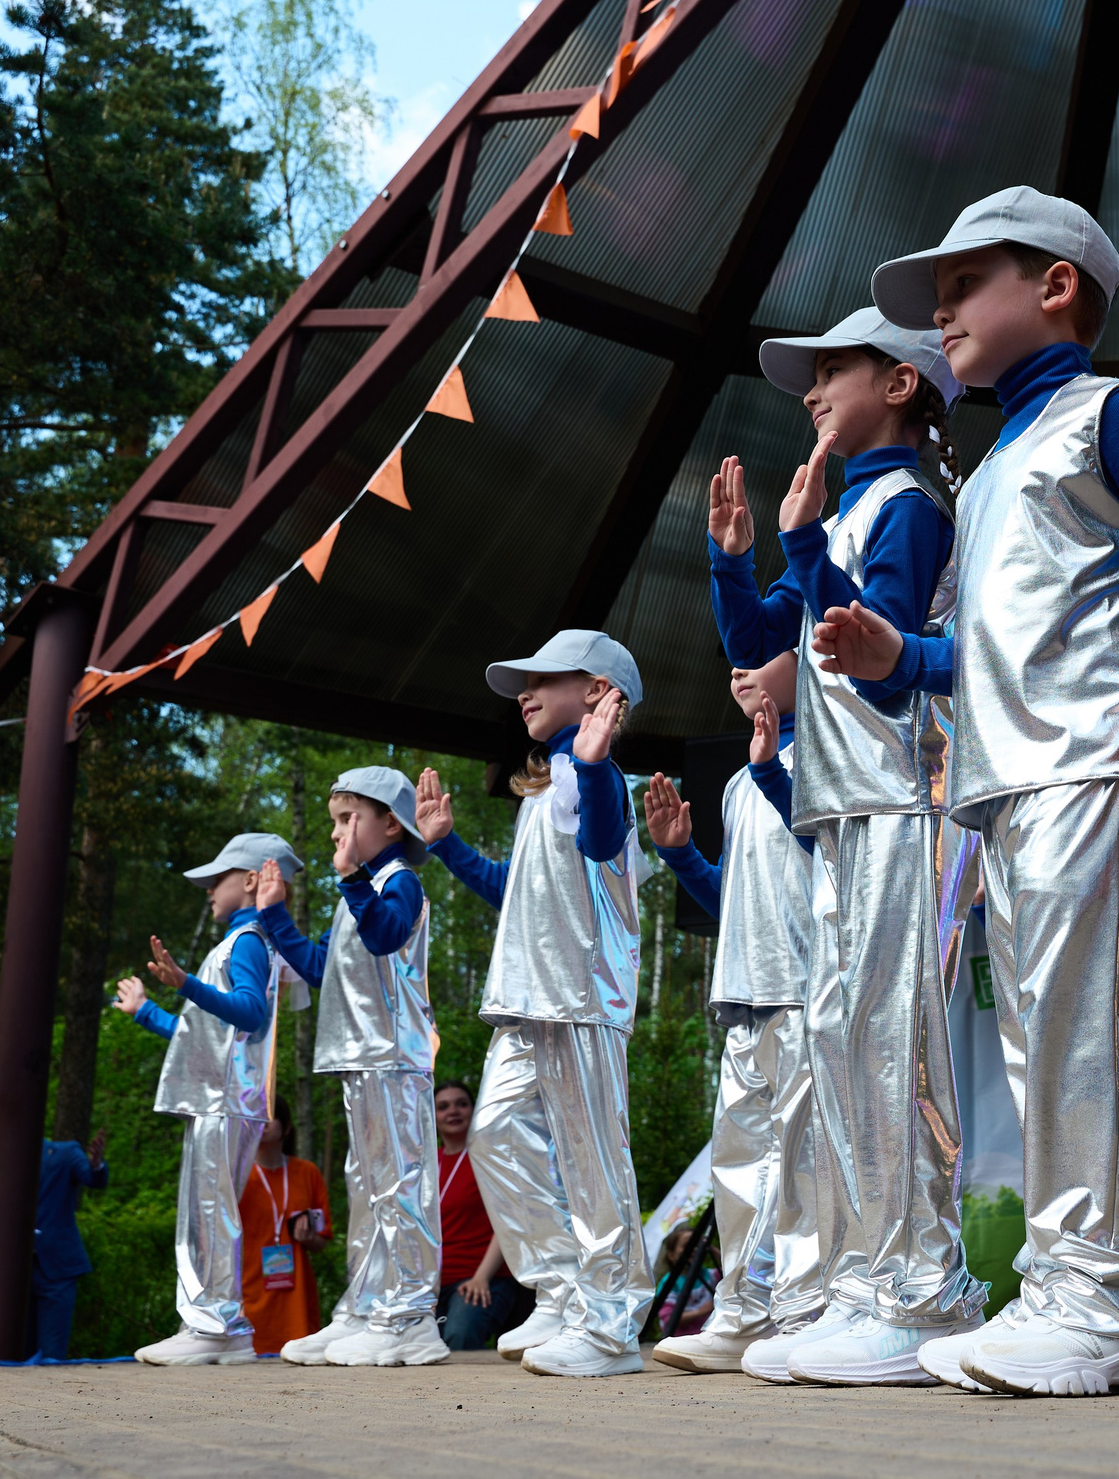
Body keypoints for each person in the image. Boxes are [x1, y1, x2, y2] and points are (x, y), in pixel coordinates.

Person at [817, 187, 1119, 1398]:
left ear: (1055, 285)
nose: (941, 310)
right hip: (1014, 784)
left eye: (964, 283)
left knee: (1086, 1038)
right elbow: (994, 654)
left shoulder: (1109, 416)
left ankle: (1093, 1291)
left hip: (1097, 767)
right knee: (1053, 1037)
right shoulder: (1002, 459)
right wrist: (897, 659)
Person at [714, 308, 979, 1388]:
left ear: (904, 384)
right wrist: (741, 559)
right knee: (841, 1047)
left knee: (894, 1045)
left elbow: (865, 653)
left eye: (836, 369)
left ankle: (924, 1292)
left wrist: (805, 548)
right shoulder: (850, 506)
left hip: (910, 801)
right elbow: (758, 644)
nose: (814, 388)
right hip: (843, 811)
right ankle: (868, 1281)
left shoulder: (910, 505)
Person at [415, 630, 653, 1379]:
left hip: (580, 998)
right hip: (526, 1000)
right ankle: (564, 1286)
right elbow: (513, 894)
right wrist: (448, 846)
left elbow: (605, 837)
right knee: (490, 1132)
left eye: (542, 677)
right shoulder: (548, 784)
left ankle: (611, 1324)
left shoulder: (599, 778)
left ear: (596, 692)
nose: (523, 689)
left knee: (593, 1158)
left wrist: (592, 760)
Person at [644, 658, 826, 1375]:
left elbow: (838, 856)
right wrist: (682, 856)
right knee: (738, 1167)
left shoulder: (831, 748)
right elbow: (734, 899)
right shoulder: (731, 781)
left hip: (809, 987)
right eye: (732, 657)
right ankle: (743, 1313)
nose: (736, 669)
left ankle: (805, 1314)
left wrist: (775, 777)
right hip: (744, 992)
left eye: (760, 654)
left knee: (803, 1166)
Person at [259, 768, 445, 1368]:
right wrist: (276, 918)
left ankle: (411, 1315)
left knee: (399, 1186)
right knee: (365, 1191)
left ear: (390, 823)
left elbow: (387, 935)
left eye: (348, 818)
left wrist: (350, 882)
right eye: (334, 821)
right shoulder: (358, 892)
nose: (337, 833)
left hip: (392, 1056)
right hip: (359, 1058)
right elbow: (323, 969)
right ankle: (366, 1307)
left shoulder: (400, 881)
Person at [114, 831, 301, 1364]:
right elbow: (205, 1035)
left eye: (215, 879)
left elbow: (249, 1013)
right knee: (208, 1212)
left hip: (226, 1103)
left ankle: (214, 1326)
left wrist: (185, 982)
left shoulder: (247, 942)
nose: (207, 889)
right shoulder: (243, 942)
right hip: (223, 1100)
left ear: (248, 881)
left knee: (210, 1214)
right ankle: (221, 1329)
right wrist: (147, 1010)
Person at [434, 1078, 524, 1350]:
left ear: (474, 1111)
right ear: (433, 1116)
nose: (453, 1111)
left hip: (484, 1277)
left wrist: (482, 1277)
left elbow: (508, 1221)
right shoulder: (426, 1164)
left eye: (462, 1104)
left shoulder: (490, 1159)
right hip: (435, 1285)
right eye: (443, 1106)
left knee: (458, 1336)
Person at [240, 1097, 331, 1357]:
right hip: (248, 1297)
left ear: (287, 1126)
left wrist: (308, 1237)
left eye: (269, 1116)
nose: (262, 1124)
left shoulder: (307, 1173)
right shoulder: (236, 1175)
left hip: (295, 1301)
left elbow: (322, 1242)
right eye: (254, 1117)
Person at [29, 1131, 107, 1361]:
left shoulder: (65, 1152)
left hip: (57, 1267)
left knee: (51, 1351)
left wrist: (96, 1165)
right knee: (13, 1350)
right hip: (13, 1271)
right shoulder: (1, 1157)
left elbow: (94, 1179)